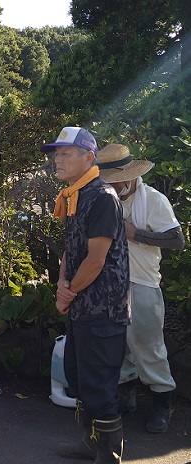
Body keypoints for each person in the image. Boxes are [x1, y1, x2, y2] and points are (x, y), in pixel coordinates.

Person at [41, 127, 130, 464]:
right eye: (56, 153)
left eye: (66, 153)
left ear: (89, 158)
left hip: (103, 310)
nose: (57, 159)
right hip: (82, 306)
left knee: (99, 386)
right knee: (79, 378)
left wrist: (67, 293)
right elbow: (71, 252)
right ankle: (90, 443)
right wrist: (63, 285)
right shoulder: (75, 195)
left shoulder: (103, 198)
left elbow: (95, 261)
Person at [97, 143, 185, 433]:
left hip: (143, 282)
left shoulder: (154, 200)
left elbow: (176, 240)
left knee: (148, 345)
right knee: (119, 344)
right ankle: (127, 397)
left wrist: (138, 235)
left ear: (129, 176)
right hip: (111, 282)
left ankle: (163, 404)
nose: (109, 185)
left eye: (113, 180)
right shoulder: (108, 198)